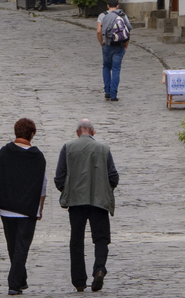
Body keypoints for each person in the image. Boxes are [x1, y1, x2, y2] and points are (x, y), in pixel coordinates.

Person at [54, 119, 118, 293]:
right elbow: (113, 177)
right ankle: (99, 269)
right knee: (101, 238)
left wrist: (67, 190)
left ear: (77, 132)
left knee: (76, 240)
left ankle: (79, 281)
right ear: (93, 132)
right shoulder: (104, 149)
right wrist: (104, 189)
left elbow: (59, 177)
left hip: (76, 201)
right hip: (99, 201)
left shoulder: (68, 148)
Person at [0, 118, 47, 296]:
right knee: (22, 246)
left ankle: (21, 280)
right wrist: (40, 208)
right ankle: (14, 284)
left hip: (6, 206)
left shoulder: (3, 151)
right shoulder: (38, 156)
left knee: (13, 245)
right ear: (31, 134)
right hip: (28, 208)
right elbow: (42, 185)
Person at [96, 0, 132, 102]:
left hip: (106, 45)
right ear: (117, 6)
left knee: (106, 67)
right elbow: (128, 32)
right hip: (119, 45)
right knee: (116, 69)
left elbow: (99, 31)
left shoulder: (102, 15)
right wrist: (125, 46)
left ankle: (107, 91)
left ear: (107, 6)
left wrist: (101, 43)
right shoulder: (122, 15)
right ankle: (113, 95)